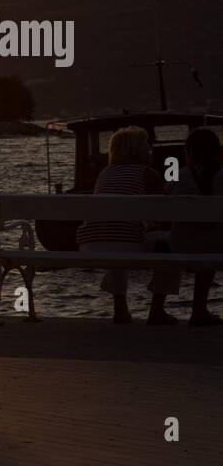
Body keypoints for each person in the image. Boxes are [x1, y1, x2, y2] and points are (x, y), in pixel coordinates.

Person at [76, 125, 180, 325]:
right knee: (170, 244)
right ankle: (157, 310)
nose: (150, 150)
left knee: (116, 237)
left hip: (90, 245)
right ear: (139, 150)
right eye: (147, 146)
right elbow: (165, 214)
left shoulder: (105, 173)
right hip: (124, 243)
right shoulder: (147, 174)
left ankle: (120, 309)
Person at [170, 127, 223, 327]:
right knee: (207, 243)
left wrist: (175, 166)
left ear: (188, 153)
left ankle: (156, 309)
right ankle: (199, 310)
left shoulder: (177, 172)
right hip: (218, 246)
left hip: (180, 245)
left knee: (161, 243)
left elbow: (165, 194)